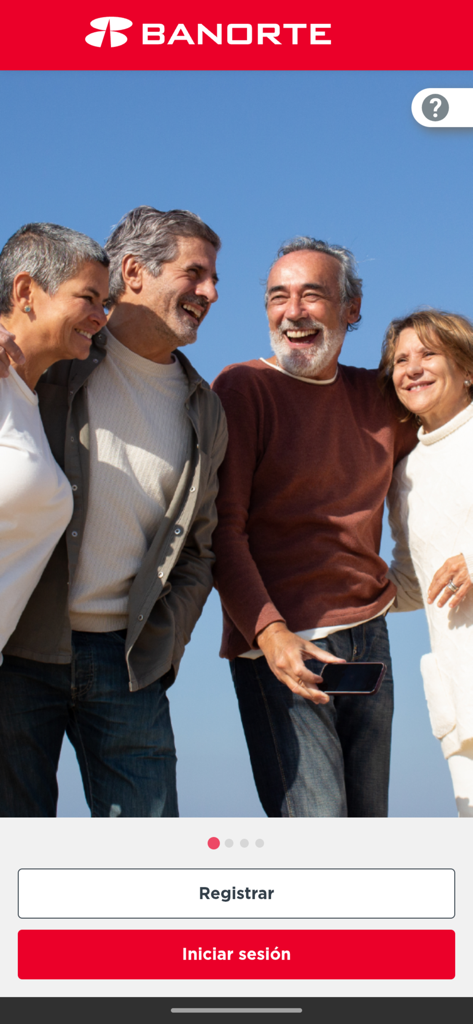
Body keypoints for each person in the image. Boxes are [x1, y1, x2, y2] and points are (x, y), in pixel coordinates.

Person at [0, 206, 227, 818]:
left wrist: (163, 646)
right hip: (21, 648)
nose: (211, 292)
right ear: (134, 271)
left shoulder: (206, 409)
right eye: (196, 273)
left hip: (127, 666)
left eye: (213, 278)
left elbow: (200, 549)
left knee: (150, 863)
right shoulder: (53, 356)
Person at [212, 237, 416, 818]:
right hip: (286, 643)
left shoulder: (380, 396)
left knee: (366, 828)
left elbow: (453, 441)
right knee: (318, 834)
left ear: (351, 307)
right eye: (279, 296)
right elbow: (224, 531)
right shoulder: (242, 388)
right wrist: (269, 635)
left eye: (312, 295)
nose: (293, 311)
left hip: (368, 636)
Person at [0, 222, 109, 662]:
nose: (100, 317)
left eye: (105, 303)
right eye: (87, 297)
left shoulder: (28, 402)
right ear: (25, 291)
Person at [381, 310, 473, 817]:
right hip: (460, 691)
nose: (412, 368)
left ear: (466, 368)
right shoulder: (404, 474)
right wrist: (349, 587)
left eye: (428, 354)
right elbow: (416, 584)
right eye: (400, 360)